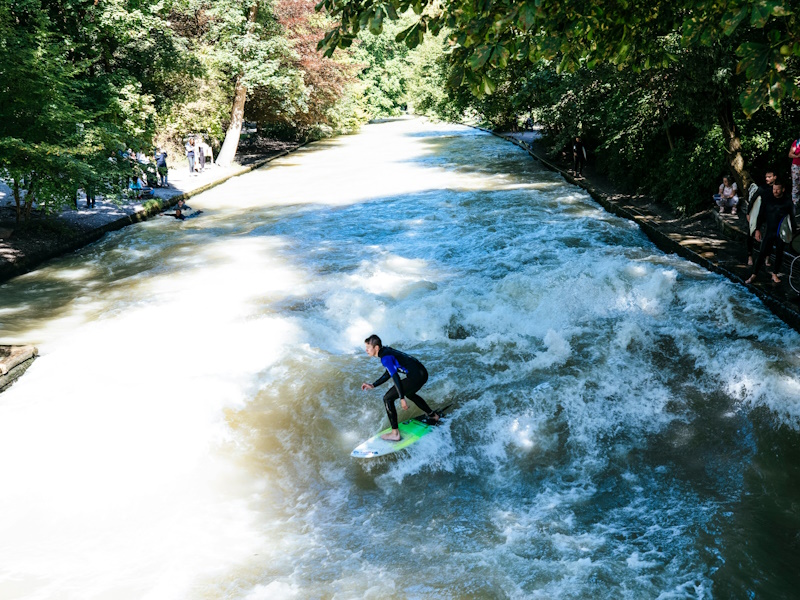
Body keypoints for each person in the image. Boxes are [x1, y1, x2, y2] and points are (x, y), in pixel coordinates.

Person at [361, 335, 439, 442]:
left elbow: (395, 377)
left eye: (368, 348)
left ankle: (395, 433)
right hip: (422, 372)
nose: (366, 350)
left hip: (416, 376)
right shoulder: (386, 351)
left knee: (387, 398)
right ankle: (433, 415)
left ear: (376, 348)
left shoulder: (385, 358)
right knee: (410, 393)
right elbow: (390, 371)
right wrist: (373, 385)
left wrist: (401, 398)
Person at [746, 180, 795, 285]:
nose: (775, 191)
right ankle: (754, 274)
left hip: (781, 231)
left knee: (779, 254)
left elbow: (792, 218)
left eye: (778, 189)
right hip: (769, 231)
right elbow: (760, 215)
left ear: (783, 189)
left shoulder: (787, 201)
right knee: (762, 253)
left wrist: (793, 233)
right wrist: (757, 229)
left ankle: (775, 273)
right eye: (774, 189)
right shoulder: (768, 199)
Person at [746, 170, 775, 266]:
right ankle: (750, 255)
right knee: (750, 232)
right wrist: (748, 213)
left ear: (775, 177)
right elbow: (753, 199)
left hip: (771, 214)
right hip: (760, 213)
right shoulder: (762, 188)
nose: (767, 178)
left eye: (769, 177)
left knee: (770, 236)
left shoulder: (777, 188)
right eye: (766, 177)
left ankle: (767, 257)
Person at [789, 137, 800, 205]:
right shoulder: (797, 142)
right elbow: (790, 154)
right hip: (796, 166)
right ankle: (795, 204)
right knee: (795, 185)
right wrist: (798, 156)